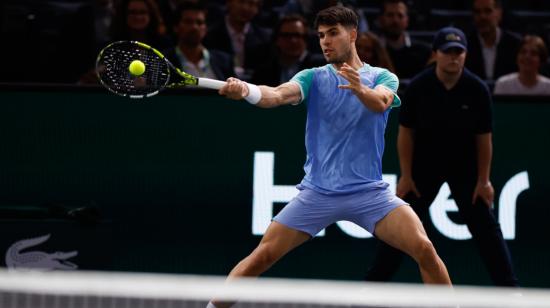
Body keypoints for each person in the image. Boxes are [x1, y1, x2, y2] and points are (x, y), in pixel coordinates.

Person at [207, 6, 452, 308]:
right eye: (321, 35)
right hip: (317, 193)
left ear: (353, 35)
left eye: (333, 33)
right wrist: (246, 90)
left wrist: (360, 88)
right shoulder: (312, 77)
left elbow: (380, 103)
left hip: (369, 194)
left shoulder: (383, 77)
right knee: (262, 256)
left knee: (425, 249)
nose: (325, 41)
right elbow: (277, 94)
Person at [364, 27, 519, 287]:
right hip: (424, 168)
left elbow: (484, 139)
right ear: (436, 54)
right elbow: (406, 134)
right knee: (401, 228)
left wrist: (484, 180)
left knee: (486, 230)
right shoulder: (418, 87)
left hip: (465, 168)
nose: (453, 57)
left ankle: (510, 291)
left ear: (466, 55)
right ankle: (372, 287)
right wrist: (407, 175)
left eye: (459, 52)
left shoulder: (477, 89)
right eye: (448, 52)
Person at [162, 2, 235, 81]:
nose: (195, 27)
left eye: (199, 22)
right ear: (176, 27)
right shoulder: (162, 61)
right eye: (188, 22)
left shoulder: (224, 61)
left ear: (205, 28)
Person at [203, 0, 271, 80]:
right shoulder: (209, 35)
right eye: (241, 2)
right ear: (229, 2)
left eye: (251, 3)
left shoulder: (265, 38)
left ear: (257, 9)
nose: (245, 8)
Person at [252, 14, 325, 86]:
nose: (293, 40)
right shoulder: (264, 72)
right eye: (287, 35)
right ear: (277, 40)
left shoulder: (323, 67)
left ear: (306, 39)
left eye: (297, 35)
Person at [465, 0, 521, 81]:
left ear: (499, 14)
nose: (482, 17)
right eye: (477, 12)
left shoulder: (516, 44)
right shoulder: (465, 45)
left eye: (488, 11)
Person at [376, 0, 431, 79]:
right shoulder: (371, 50)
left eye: (400, 16)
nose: (395, 20)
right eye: (390, 15)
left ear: (407, 20)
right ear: (381, 19)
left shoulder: (423, 52)